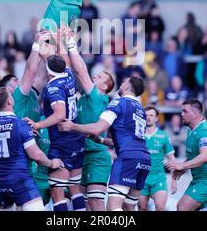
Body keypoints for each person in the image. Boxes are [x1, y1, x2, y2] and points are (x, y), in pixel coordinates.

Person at [59, 76, 151, 211]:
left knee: (113, 207)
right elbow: (128, 138)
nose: (120, 85)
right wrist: (101, 140)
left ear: (126, 87)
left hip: (127, 159)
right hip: (144, 159)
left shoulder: (118, 103)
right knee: (129, 207)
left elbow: (97, 128)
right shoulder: (140, 109)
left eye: (123, 83)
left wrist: (72, 126)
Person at [0, 32, 51, 206]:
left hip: (11, 164)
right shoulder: (18, 95)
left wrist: (46, 53)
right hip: (19, 160)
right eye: (14, 81)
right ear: (8, 91)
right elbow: (30, 71)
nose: (18, 81)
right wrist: (37, 44)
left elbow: (41, 76)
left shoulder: (29, 95)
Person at [24, 54, 86, 211]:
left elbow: (59, 114)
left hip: (62, 143)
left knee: (57, 193)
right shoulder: (68, 75)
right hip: (76, 139)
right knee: (74, 189)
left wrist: (38, 124)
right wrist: (59, 39)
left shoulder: (53, 88)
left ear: (48, 71)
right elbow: (63, 60)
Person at [0, 87, 63, 211]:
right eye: (11, 96)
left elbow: (9, 144)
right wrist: (51, 163)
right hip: (18, 179)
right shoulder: (20, 125)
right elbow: (35, 155)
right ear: (10, 102)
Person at [65, 27, 115, 210]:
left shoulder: (98, 97)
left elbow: (82, 72)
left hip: (96, 155)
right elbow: (73, 71)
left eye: (100, 76)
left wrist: (71, 43)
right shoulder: (83, 97)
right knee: (84, 203)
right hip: (81, 153)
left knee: (95, 202)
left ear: (104, 87)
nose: (96, 75)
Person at [165, 99, 207, 211]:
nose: (181, 114)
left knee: (182, 207)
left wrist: (183, 166)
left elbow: (206, 156)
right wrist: (182, 168)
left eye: (185, 111)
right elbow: (194, 155)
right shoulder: (191, 130)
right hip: (200, 179)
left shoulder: (204, 131)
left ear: (196, 113)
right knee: (183, 207)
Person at [139, 107, 177, 211]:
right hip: (141, 177)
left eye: (151, 115)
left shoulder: (163, 136)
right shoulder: (138, 135)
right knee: (142, 208)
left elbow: (172, 159)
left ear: (156, 118)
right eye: (146, 115)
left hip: (158, 177)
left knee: (160, 207)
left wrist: (174, 181)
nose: (148, 118)